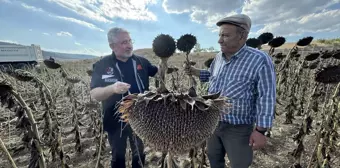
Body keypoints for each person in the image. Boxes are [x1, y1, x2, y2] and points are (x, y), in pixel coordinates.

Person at [184, 14, 276, 168]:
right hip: (212, 121)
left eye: (226, 35)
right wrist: (195, 71)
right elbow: (212, 75)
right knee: (214, 160)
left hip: (238, 128)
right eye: (220, 35)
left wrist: (260, 131)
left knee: (239, 164)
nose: (220, 40)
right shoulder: (219, 57)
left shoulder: (259, 60)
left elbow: (266, 96)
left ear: (243, 36)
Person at [90, 27, 158, 168]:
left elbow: (159, 72)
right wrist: (112, 89)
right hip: (114, 120)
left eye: (129, 41)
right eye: (123, 42)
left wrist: (165, 59)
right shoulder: (102, 65)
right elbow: (94, 94)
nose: (129, 45)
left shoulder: (142, 62)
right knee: (118, 157)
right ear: (112, 46)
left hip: (140, 118)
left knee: (139, 155)